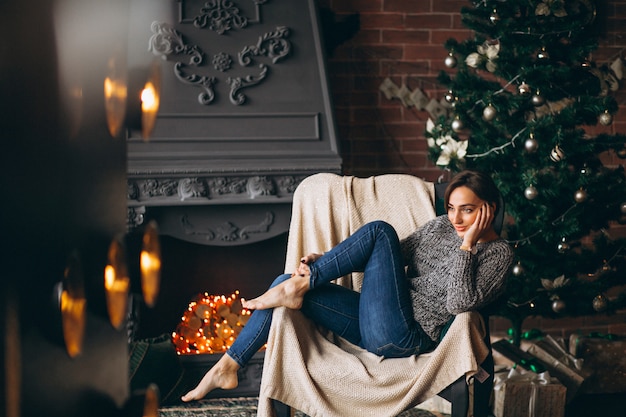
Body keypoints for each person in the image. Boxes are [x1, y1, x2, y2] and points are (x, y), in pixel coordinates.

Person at [181, 169, 514, 402]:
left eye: (467, 211)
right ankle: (228, 366)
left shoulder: (499, 254)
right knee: (288, 281)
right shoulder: (441, 226)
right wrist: (326, 259)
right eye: (453, 208)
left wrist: (467, 246)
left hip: (405, 336)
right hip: (376, 319)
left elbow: (459, 303)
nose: (456, 219)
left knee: (380, 229)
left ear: (489, 209)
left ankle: (301, 285)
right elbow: (388, 255)